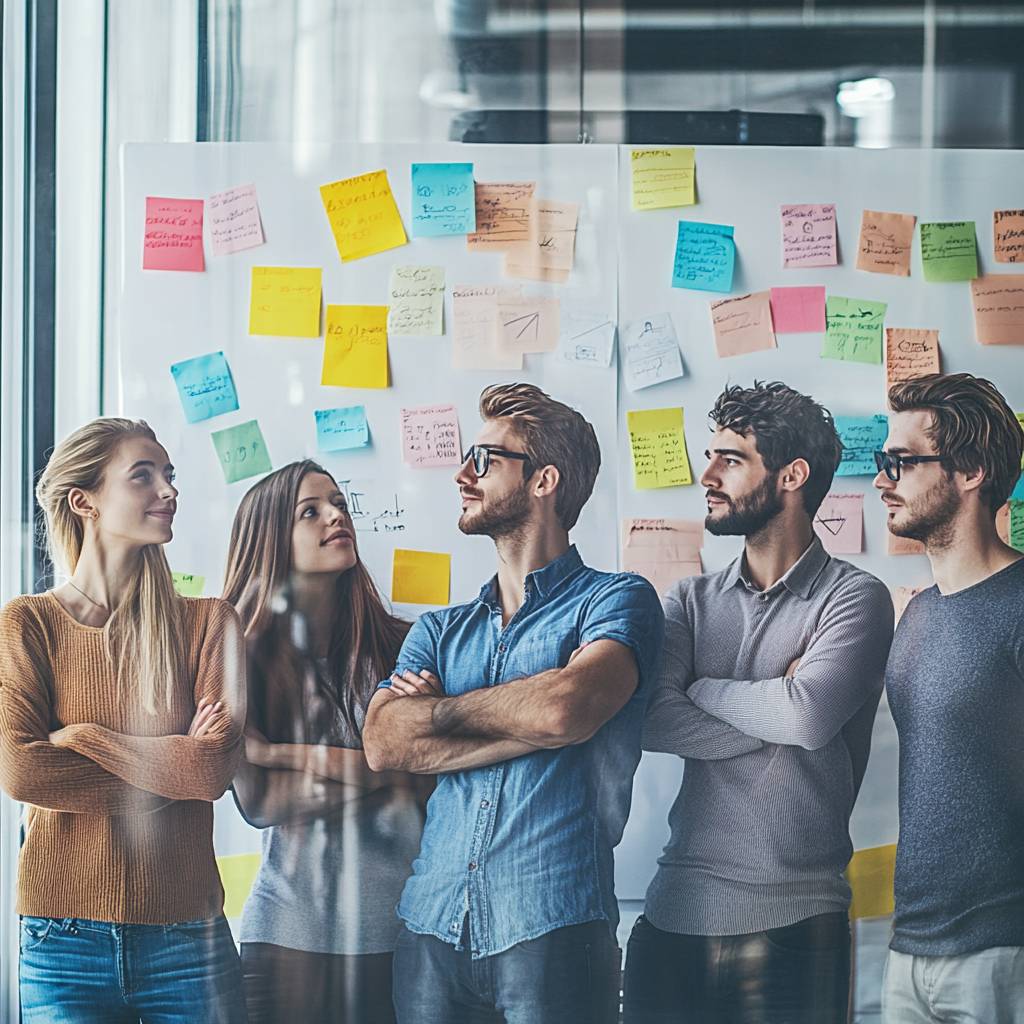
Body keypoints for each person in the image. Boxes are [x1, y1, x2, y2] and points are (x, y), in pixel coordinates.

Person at [362, 383, 665, 1024]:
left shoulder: (615, 600)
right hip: (430, 926)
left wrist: (443, 711)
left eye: (484, 458)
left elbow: (565, 710)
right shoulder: (439, 629)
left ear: (543, 480)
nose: (462, 474)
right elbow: (386, 742)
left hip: (554, 923)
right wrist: (522, 719)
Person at [624, 382, 894, 1024]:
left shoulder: (855, 598)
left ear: (792, 475)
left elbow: (807, 716)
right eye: (709, 454)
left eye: (731, 458)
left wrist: (701, 689)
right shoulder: (687, 600)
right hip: (671, 915)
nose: (707, 474)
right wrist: (780, 707)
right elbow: (651, 719)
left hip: (797, 926)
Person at [0, 417, 246, 1023]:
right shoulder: (28, 624)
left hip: (189, 936)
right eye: (144, 476)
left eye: (169, 475)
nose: (168, 490)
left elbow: (211, 770)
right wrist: (170, 763)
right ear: (84, 500)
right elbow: (22, 771)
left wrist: (85, 738)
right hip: (62, 939)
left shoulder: (210, 623)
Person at [223, 459, 427, 1024]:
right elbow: (263, 805)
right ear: (270, 540)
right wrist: (381, 771)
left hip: (402, 935)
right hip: (286, 939)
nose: (336, 516)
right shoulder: (241, 659)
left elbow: (427, 781)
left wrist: (275, 753)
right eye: (310, 511)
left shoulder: (408, 647)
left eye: (338, 503)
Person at [875, 372, 1024, 1023]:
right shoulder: (917, 617)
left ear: (970, 471)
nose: (883, 480)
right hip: (908, 951)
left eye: (902, 463)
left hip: (1001, 955)